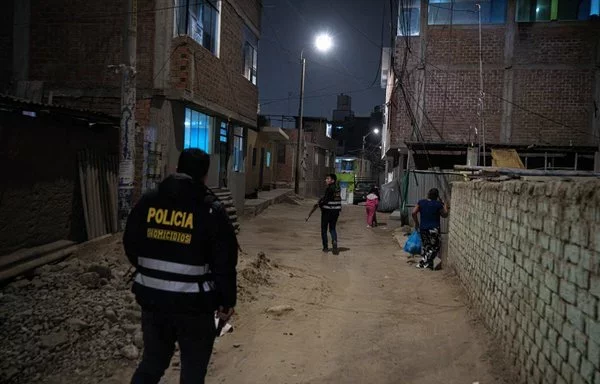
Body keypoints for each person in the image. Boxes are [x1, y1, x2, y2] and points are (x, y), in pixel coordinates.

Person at [123, 148, 238, 384]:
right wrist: (226, 302)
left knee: (153, 362)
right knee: (193, 372)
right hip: (194, 307)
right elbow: (224, 263)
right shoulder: (210, 209)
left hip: (153, 301)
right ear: (205, 177)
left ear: (176, 169)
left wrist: (153, 272)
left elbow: (130, 244)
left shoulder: (148, 201)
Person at [411, 188, 449, 270]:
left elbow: (413, 212)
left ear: (428, 194)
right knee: (435, 247)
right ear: (437, 196)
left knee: (426, 246)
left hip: (423, 228)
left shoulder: (421, 202)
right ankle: (427, 263)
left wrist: (417, 223)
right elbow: (445, 215)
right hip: (434, 229)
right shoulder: (438, 204)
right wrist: (445, 206)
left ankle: (426, 263)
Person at [318, 173, 342, 254]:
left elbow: (326, 200)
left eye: (328, 179)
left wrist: (320, 204)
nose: (326, 180)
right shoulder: (338, 189)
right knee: (332, 228)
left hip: (327, 211)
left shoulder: (329, 189)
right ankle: (334, 240)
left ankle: (325, 248)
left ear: (332, 180)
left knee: (324, 229)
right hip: (336, 212)